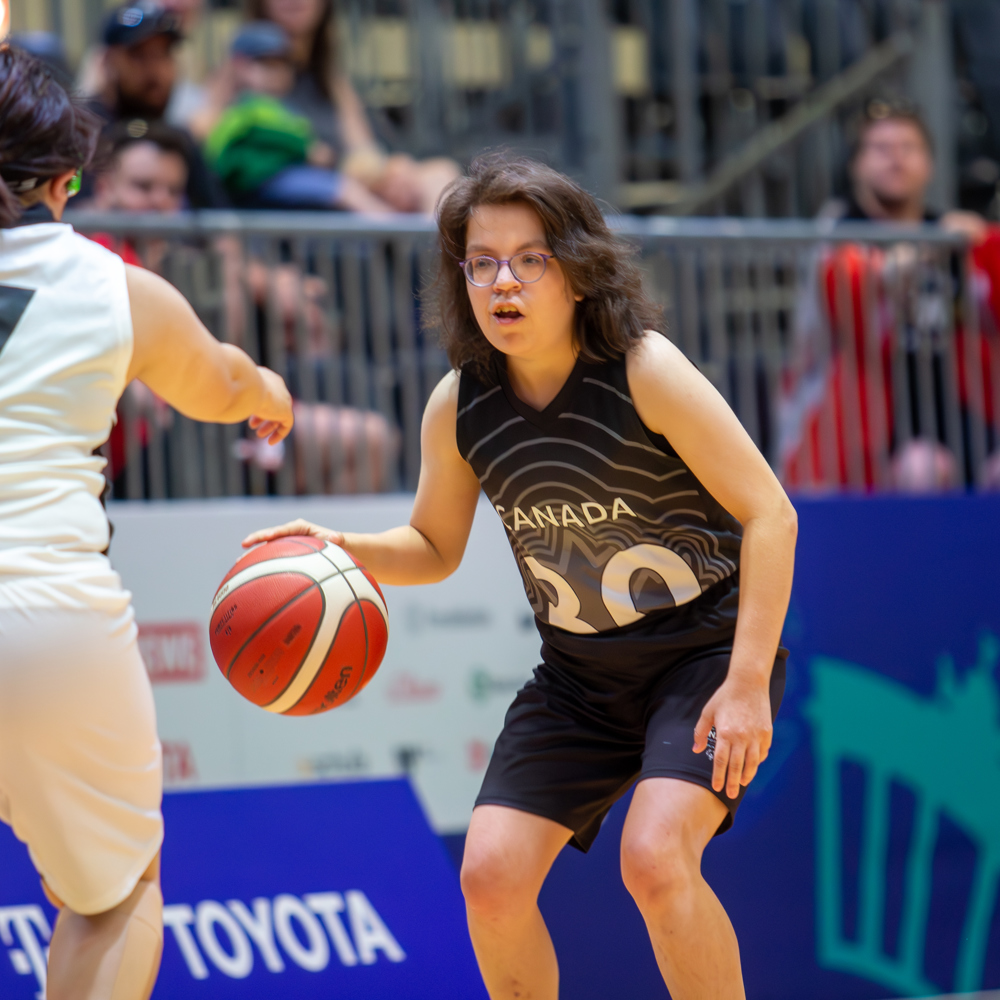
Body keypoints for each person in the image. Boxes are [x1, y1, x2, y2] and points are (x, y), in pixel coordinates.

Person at [244, 154, 797, 999]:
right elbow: (434, 547)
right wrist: (339, 550)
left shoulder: (643, 369)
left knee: (653, 859)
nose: (503, 280)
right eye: (481, 261)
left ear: (576, 271)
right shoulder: (459, 403)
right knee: (490, 878)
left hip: (701, 659)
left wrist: (749, 680)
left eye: (528, 259)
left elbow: (771, 514)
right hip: (578, 676)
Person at [0, 44, 293, 999]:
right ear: (66, 178)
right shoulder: (110, 283)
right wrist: (270, 390)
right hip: (44, 616)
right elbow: (223, 386)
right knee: (113, 896)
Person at [782, 100, 1000, 491]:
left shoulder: (955, 233)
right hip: (865, 420)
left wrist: (980, 245)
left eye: (908, 147)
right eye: (881, 149)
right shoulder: (835, 235)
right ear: (856, 166)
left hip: (958, 407)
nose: (896, 159)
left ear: (929, 163)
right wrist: (927, 251)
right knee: (923, 471)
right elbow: (846, 290)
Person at [190, 0, 458, 213]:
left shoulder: (331, 80)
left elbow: (363, 153)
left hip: (346, 185)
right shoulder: (239, 67)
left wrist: (393, 172)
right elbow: (203, 135)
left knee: (441, 175)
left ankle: (445, 274)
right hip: (289, 201)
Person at [205, 20, 390, 211]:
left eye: (283, 65)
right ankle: (391, 226)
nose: (277, 74)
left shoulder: (280, 106)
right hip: (255, 181)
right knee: (344, 189)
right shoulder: (248, 106)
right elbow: (267, 132)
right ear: (241, 66)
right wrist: (306, 149)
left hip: (273, 187)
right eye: (267, 64)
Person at [83, 2, 227, 209]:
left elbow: (222, 228)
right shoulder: (77, 132)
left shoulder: (178, 139)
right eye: (140, 55)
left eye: (164, 54)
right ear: (108, 61)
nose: (155, 69)